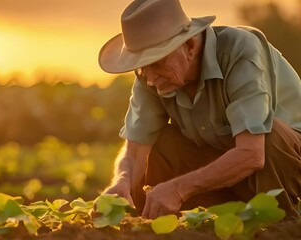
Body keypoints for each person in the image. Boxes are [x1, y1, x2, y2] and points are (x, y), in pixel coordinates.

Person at [98, 0, 301, 219]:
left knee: (268, 135)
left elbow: (252, 154)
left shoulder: (240, 50)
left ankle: (280, 224)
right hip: (226, 163)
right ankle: (152, 222)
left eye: (156, 62)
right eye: (142, 67)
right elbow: (134, 151)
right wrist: (121, 181)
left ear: (190, 47)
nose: (149, 79)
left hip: (282, 164)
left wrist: (178, 188)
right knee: (161, 143)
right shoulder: (150, 76)